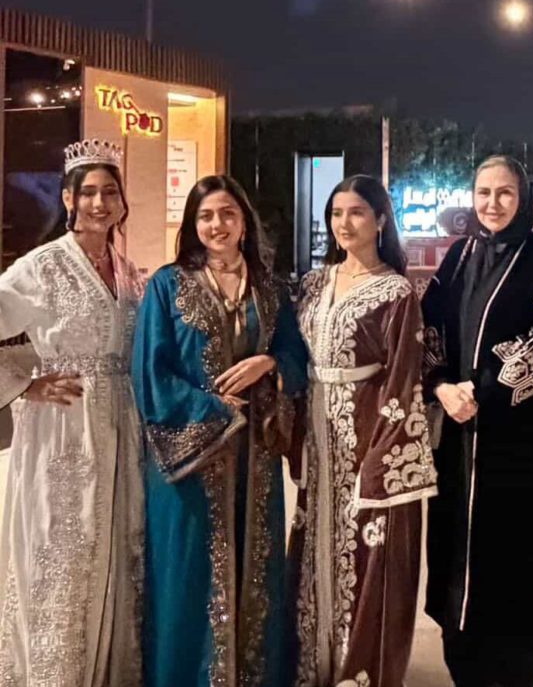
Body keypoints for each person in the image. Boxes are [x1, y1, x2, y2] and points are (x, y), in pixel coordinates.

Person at [132, 175, 308, 687]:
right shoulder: (167, 286)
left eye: (228, 213)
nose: (217, 225)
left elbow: (296, 355)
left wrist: (268, 364)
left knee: (256, 566)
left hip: (255, 459)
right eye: (206, 216)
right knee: (187, 572)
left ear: (244, 222)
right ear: (193, 225)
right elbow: (150, 373)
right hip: (188, 461)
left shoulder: (269, 289)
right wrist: (213, 407)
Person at [423, 155, 533, 686]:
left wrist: (484, 393)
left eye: (505, 193)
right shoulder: (459, 255)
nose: (492, 204)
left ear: (524, 199)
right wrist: (441, 385)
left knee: (510, 549)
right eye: (483, 193)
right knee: (454, 544)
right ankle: (460, 654)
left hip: (518, 438)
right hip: (458, 432)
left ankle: (509, 668)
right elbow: (430, 327)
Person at [0, 139, 145, 685]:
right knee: (63, 544)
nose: (99, 204)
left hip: (122, 425)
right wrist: (23, 384)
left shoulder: (129, 274)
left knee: (116, 544)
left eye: (110, 192)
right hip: (63, 427)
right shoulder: (42, 266)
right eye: (88, 193)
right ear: (68, 199)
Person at [290, 175, 437, 686]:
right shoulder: (314, 284)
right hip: (317, 431)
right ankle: (311, 664)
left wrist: (381, 459)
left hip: (367, 432)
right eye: (336, 213)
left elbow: (403, 380)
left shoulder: (395, 292)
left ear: (380, 221)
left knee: (367, 550)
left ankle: (358, 671)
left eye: (356, 212)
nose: (344, 223)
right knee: (314, 544)